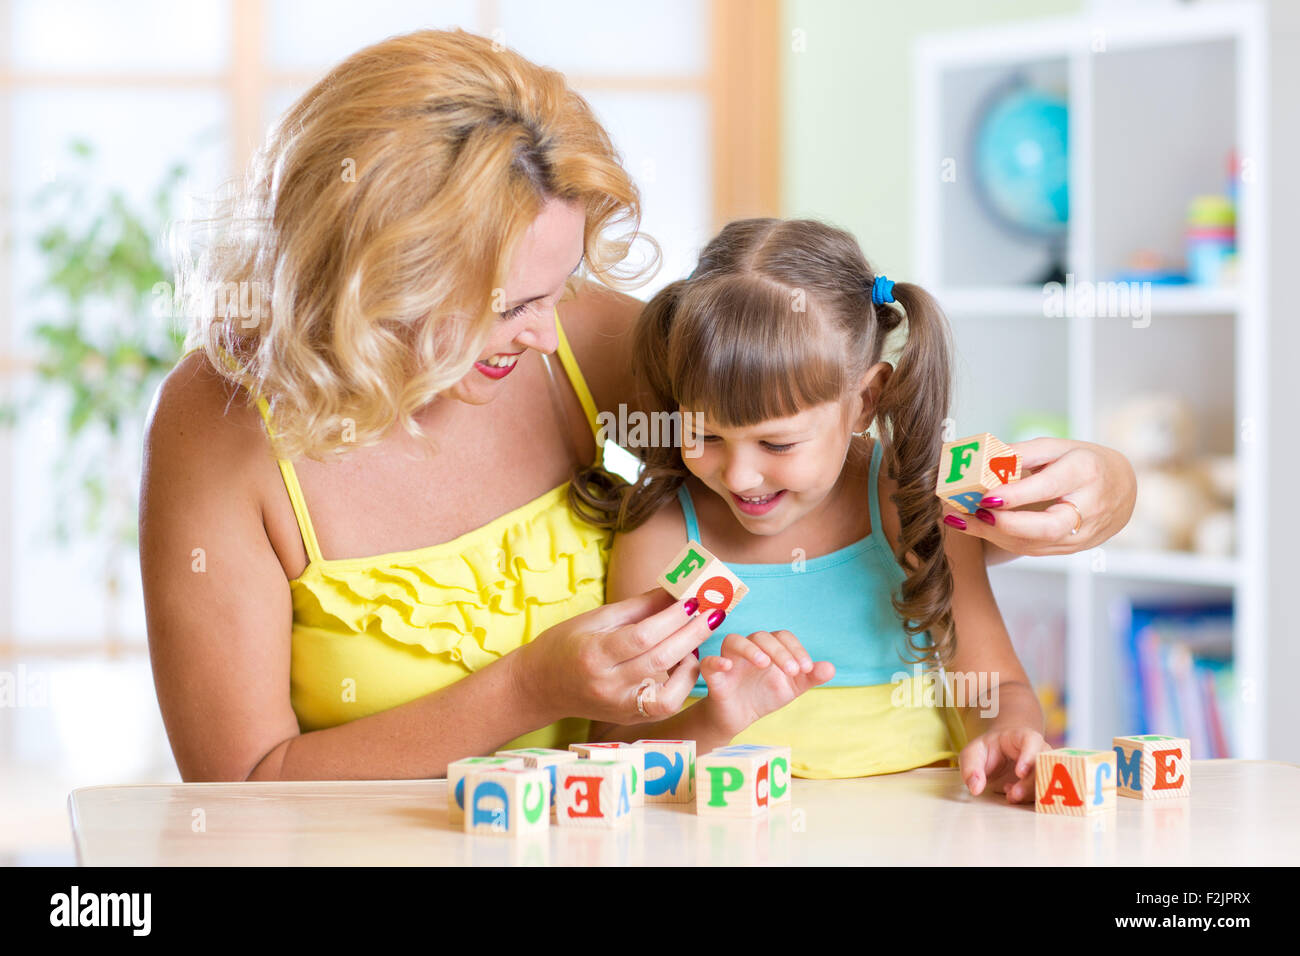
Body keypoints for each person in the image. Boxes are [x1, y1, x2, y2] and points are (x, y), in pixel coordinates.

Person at [140, 29, 1135, 783]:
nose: (547, 330)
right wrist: (528, 689)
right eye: (503, 306)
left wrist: (1106, 488)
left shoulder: (602, 346)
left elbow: (858, 506)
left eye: (558, 281)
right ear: (366, 282)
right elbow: (243, 790)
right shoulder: (223, 427)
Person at [577, 218, 1054, 803]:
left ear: (865, 400)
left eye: (777, 444)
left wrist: (1009, 735)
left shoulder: (912, 503)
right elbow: (616, 749)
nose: (740, 475)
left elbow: (996, 686)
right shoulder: (664, 527)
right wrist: (719, 719)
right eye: (703, 433)